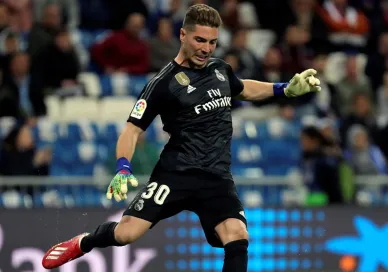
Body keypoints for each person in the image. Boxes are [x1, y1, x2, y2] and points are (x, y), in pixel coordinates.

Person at [41, 4, 321, 272]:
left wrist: (284, 89)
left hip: (216, 178)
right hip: (175, 174)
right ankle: (83, 242)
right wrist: (123, 167)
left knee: (237, 236)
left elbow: (242, 88)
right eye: (200, 40)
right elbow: (132, 130)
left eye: (212, 42)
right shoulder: (162, 83)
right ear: (182, 35)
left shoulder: (220, 69)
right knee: (127, 233)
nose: (206, 48)